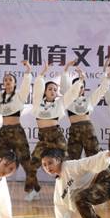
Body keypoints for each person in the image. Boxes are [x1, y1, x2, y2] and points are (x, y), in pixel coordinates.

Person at [27, 62, 83, 201]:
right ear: (45, 91)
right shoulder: (37, 103)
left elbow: (71, 94)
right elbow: (37, 88)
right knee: (32, 165)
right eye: (50, 89)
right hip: (43, 139)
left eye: (55, 90)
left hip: (57, 137)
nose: (53, 91)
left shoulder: (60, 104)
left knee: (66, 164)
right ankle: (34, 190)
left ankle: (69, 190)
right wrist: (42, 73)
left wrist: (80, 80)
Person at [0, 60, 38, 197]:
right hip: (4, 132)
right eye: (5, 80)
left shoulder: (19, 95)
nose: (7, 82)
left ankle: (33, 190)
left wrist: (28, 71)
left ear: (14, 83)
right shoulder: (0, 97)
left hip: (17, 131)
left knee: (25, 160)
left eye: (10, 80)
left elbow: (26, 85)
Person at [60, 59, 110, 160]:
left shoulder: (89, 100)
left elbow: (101, 90)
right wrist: (67, 67)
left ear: (84, 89)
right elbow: (64, 88)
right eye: (77, 87)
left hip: (88, 129)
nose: (79, 89)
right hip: (74, 129)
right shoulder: (68, 99)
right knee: (72, 158)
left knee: (94, 156)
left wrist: (108, 77)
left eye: (82, 87)